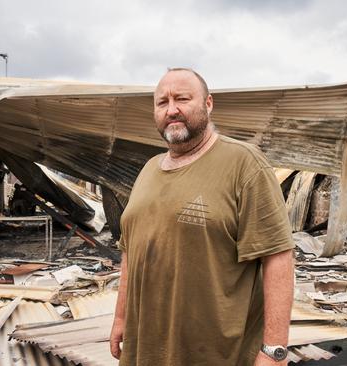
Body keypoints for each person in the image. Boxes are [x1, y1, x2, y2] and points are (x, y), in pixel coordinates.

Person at [110, 68, 295, 365]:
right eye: (162, 102)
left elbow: (277, 256)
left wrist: (274, 351)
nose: (172, 110)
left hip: (216, 353)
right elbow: (130, 252)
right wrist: (120, 318)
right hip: (144, 350)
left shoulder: (244, 163)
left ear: (208, 104)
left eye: (182, 98)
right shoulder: (148, 170)